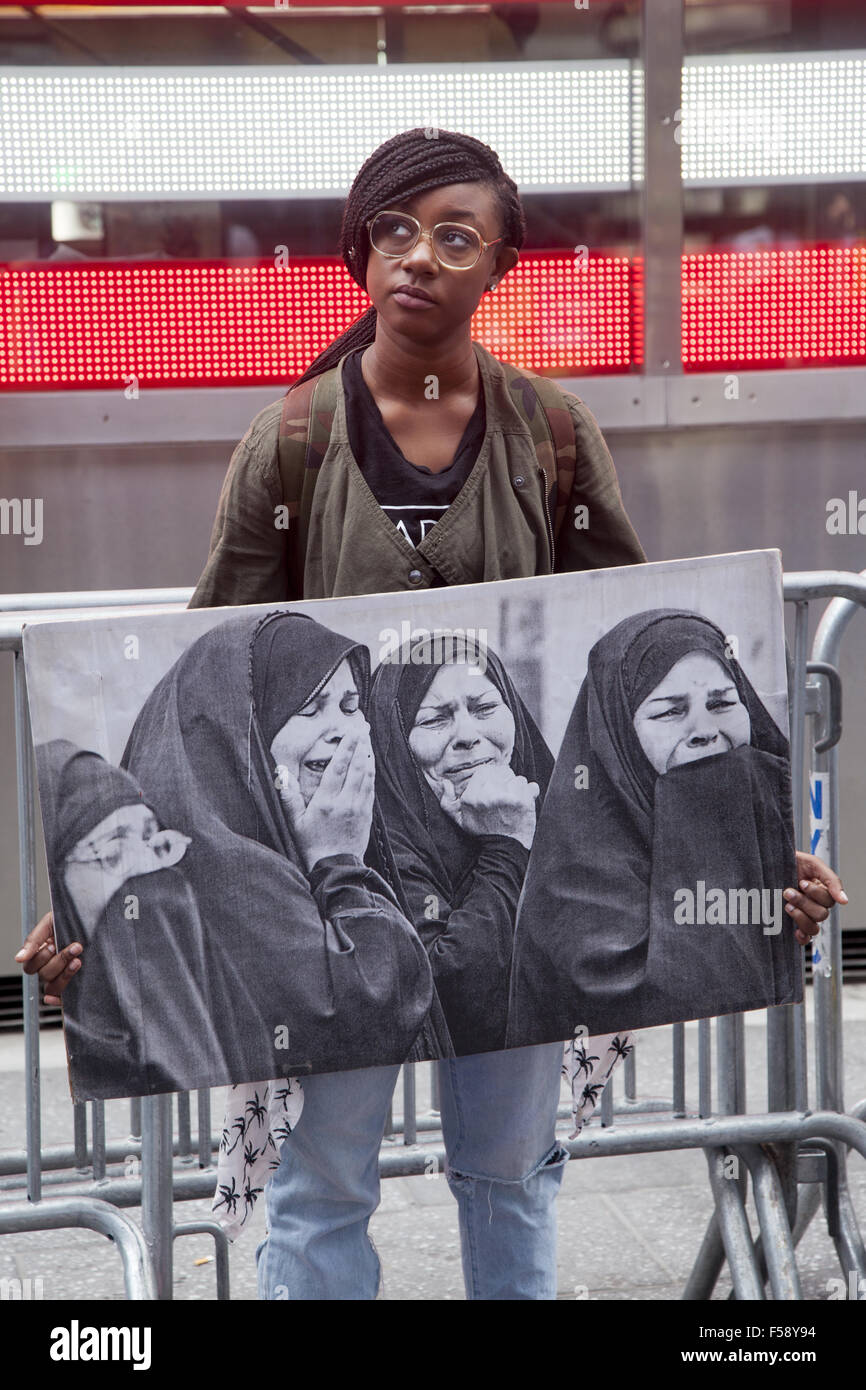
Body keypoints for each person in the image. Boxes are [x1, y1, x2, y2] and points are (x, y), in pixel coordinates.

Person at [20, 127, 845, 1301]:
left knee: (509, 1174)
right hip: (333, 892)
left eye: (453, 236)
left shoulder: (551, 438)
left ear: (498, 266)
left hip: (509, 895)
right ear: (359, 249)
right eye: (395, 230)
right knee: (323, 1193)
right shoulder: (293, 443)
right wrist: (88, 895)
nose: (418, 257)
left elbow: (635, 666)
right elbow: (203, 683)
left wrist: (762, 857)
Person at [117, 608, 437, 1084]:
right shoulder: (223, 867)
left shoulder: (322, 825)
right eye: (309, 708)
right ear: (244, 728)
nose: (342, 729)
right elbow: (363, 1009)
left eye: (351, 707)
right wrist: (338, 861)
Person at [505, 609, 811, 1049]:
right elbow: (681, 997)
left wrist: (793, 895)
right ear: (621, 738)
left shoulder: (753, 811)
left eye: (723, 703)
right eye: (670, 712)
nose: (704, 730)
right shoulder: (571, 881)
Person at [368, 629, 553, 1055]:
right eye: (436, 719)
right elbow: (454, 992)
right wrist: (506, 848)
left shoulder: (554, 814)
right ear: (396, 745)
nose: (468, 736)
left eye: (485, 707)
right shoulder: (381, 851)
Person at [33, 739, 224, 1098]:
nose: (147, 865)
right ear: (58, 883)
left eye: (156, 842)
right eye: (113, 852)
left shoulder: (224, 989)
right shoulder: (65, 1028)